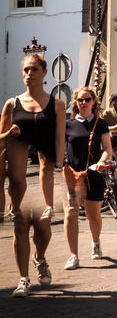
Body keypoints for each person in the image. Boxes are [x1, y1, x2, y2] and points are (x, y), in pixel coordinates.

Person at [0, 53, 65, 297]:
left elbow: (60, 138)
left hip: (45, 177)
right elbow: (0, 142)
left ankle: (40, 257)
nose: (29, 74)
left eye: (33, 69)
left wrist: (59, 167)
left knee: (43, 229)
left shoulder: (57, 104)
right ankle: (23, 279)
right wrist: (9, 135)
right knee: (20, 226)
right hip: (19, 178)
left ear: (43, 72)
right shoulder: (11, 104)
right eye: (26, 70)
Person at [63, 87, 113, 270]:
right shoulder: (68, 125)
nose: (83, 103)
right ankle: (73, 255)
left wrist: (101, 161)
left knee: (94, 215)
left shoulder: (100, 124)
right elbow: (61, 148)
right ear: (75, 103)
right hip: (73, 176)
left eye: (87, 99)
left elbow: (108, 149)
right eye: (80, 100)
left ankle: (96, 241)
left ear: (94, 102)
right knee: (71, 213)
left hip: (93, 175)